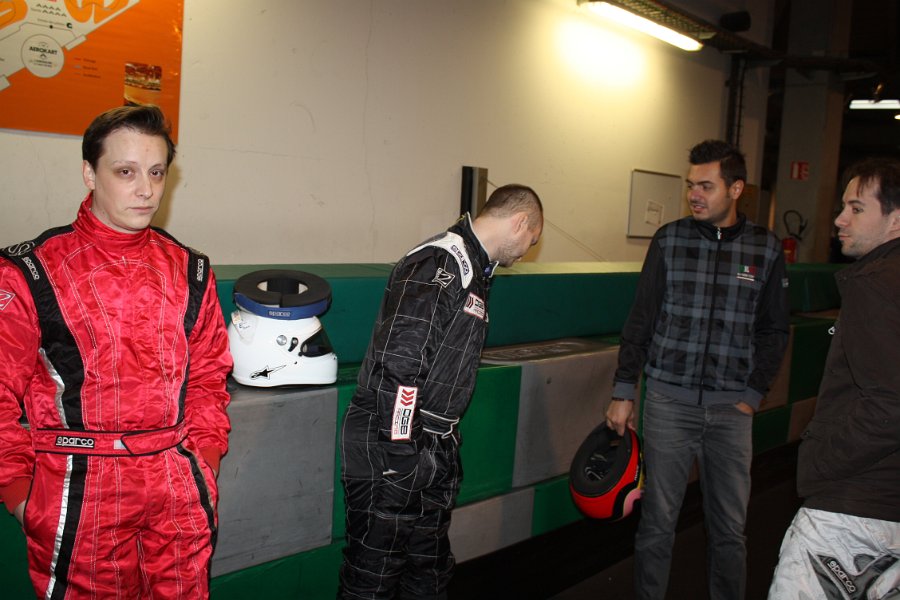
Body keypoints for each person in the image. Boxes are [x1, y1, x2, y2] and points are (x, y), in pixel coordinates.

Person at [0, 105, 232, 598]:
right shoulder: (30, 272)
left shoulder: (191, 271)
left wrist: (205, 463)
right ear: (90, 173)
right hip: (79, 484)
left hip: (177, 484)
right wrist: (21, 494)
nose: (145, 189)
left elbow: (209, 377)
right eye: (126, 172)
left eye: (156, 172)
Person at [338, 184, 543, 599]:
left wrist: (436, 447)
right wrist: (401, 450)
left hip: (433, 442)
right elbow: (401, 365)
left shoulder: (475, 270)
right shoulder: (441, 261)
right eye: (531, 240)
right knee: (373, 576)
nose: (527, 251)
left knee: (428, 573)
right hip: (392, 442)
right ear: (520, 222)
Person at [606, 139, 790, 600]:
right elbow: (641, 319)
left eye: (706, 186)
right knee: (657, 524)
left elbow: (774, 330)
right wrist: (624, 390)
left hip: (733, 411)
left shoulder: (765, 248)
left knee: (729, 529)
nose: (694, 194)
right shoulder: (669, 240)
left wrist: (753, 394)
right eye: (691, 185)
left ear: (736, 189)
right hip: (669, 403)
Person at [768, 158, 900, 599]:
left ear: (896, 219)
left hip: (850, 516)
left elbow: (890, 404)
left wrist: (820, 463)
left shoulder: (875, 284)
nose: (840, 220)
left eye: (857, 209)